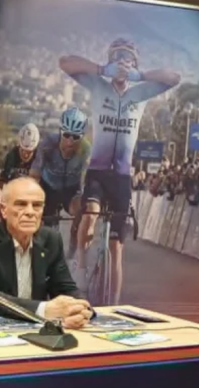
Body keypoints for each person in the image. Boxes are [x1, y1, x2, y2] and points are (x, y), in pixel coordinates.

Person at [60, 38, 181, 304]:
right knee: (90, 214)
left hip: (122, 178)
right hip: (98, 171)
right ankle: (81, 264)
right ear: (110, 61)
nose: (122, 63)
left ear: (134, 65)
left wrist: (141, 76)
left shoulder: (140, 93)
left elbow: (174, 77)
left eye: (128, 59)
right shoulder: (99, 86)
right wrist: (101, 70)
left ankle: (113, 303)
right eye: (117, 58)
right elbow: (65, 62)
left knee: (117, 248)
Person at [0, 178, 93, 329]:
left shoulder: (50, 239)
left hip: (37, 329)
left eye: (37, 205)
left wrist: (82, 309)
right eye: (21, 204)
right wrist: (44, 310)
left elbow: (66, 288)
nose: (30, 212)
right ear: (3, 210)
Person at [29, 107, 91, 254]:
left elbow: (88, 178)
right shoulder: (48, 145)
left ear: (82, 137)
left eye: (76, 137)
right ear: (60, 131)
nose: (70, 141)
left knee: (80, 208)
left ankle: (73, 244)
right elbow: (34, 175)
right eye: (66, 135)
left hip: (71, 189)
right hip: (48, 187)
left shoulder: (86, 150)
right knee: (41, 222)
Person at [0, 123, 40, 220]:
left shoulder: (39, 157)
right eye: (23, 150)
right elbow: (1, 184)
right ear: (19, 146)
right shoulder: (11, 156)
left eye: (29, 152)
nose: (26, 155)